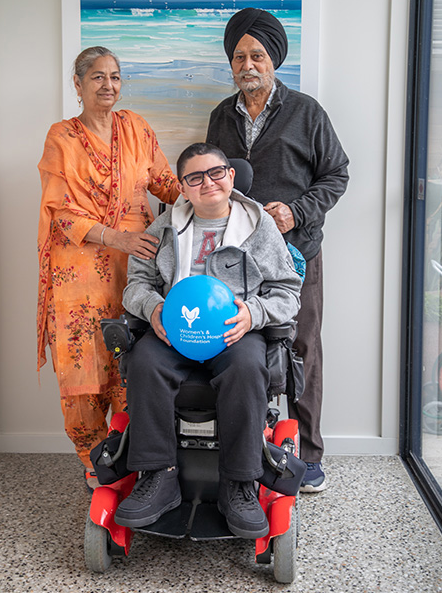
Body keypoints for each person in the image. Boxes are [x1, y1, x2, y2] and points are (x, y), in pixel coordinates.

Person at [114, 143, 302, 538]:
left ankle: (240, 484)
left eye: (216, 173)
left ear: (230, 177)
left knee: (249, 367)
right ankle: (158, 477)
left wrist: (255, 314)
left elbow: (287, 290)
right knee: (145, 362)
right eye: (195, 178)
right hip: (175, 330)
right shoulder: (163, 228)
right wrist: (151, 309)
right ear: (183, 187)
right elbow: (136, 284)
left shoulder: (258, 227)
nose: (208, 183)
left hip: (235, 333)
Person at [206, 8, 349, 493]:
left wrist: (296, 212)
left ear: (274, 60)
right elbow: (210, 180)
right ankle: (250, 446)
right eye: (240, 56)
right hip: (236, 258)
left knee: (301, 347)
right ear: (231, 63)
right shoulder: (220, 117)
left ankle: (308, 454)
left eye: (258, 55)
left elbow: (337, 175)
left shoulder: (307, 112)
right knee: (243, 343)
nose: (248, 64)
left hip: (295, 253)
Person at [37, 46, 180, 490]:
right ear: (77, 85)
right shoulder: (61, 136)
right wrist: (113, 235)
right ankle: (94, 457)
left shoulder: (135, 127)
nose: (108, 85)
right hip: (77, 269)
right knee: (82, 365)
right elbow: (59, 211)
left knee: (130, 355)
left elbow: (166, 185)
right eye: (97, 77)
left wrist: (214, 194)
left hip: (135, 267)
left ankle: (131, 452)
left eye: (115, 77)